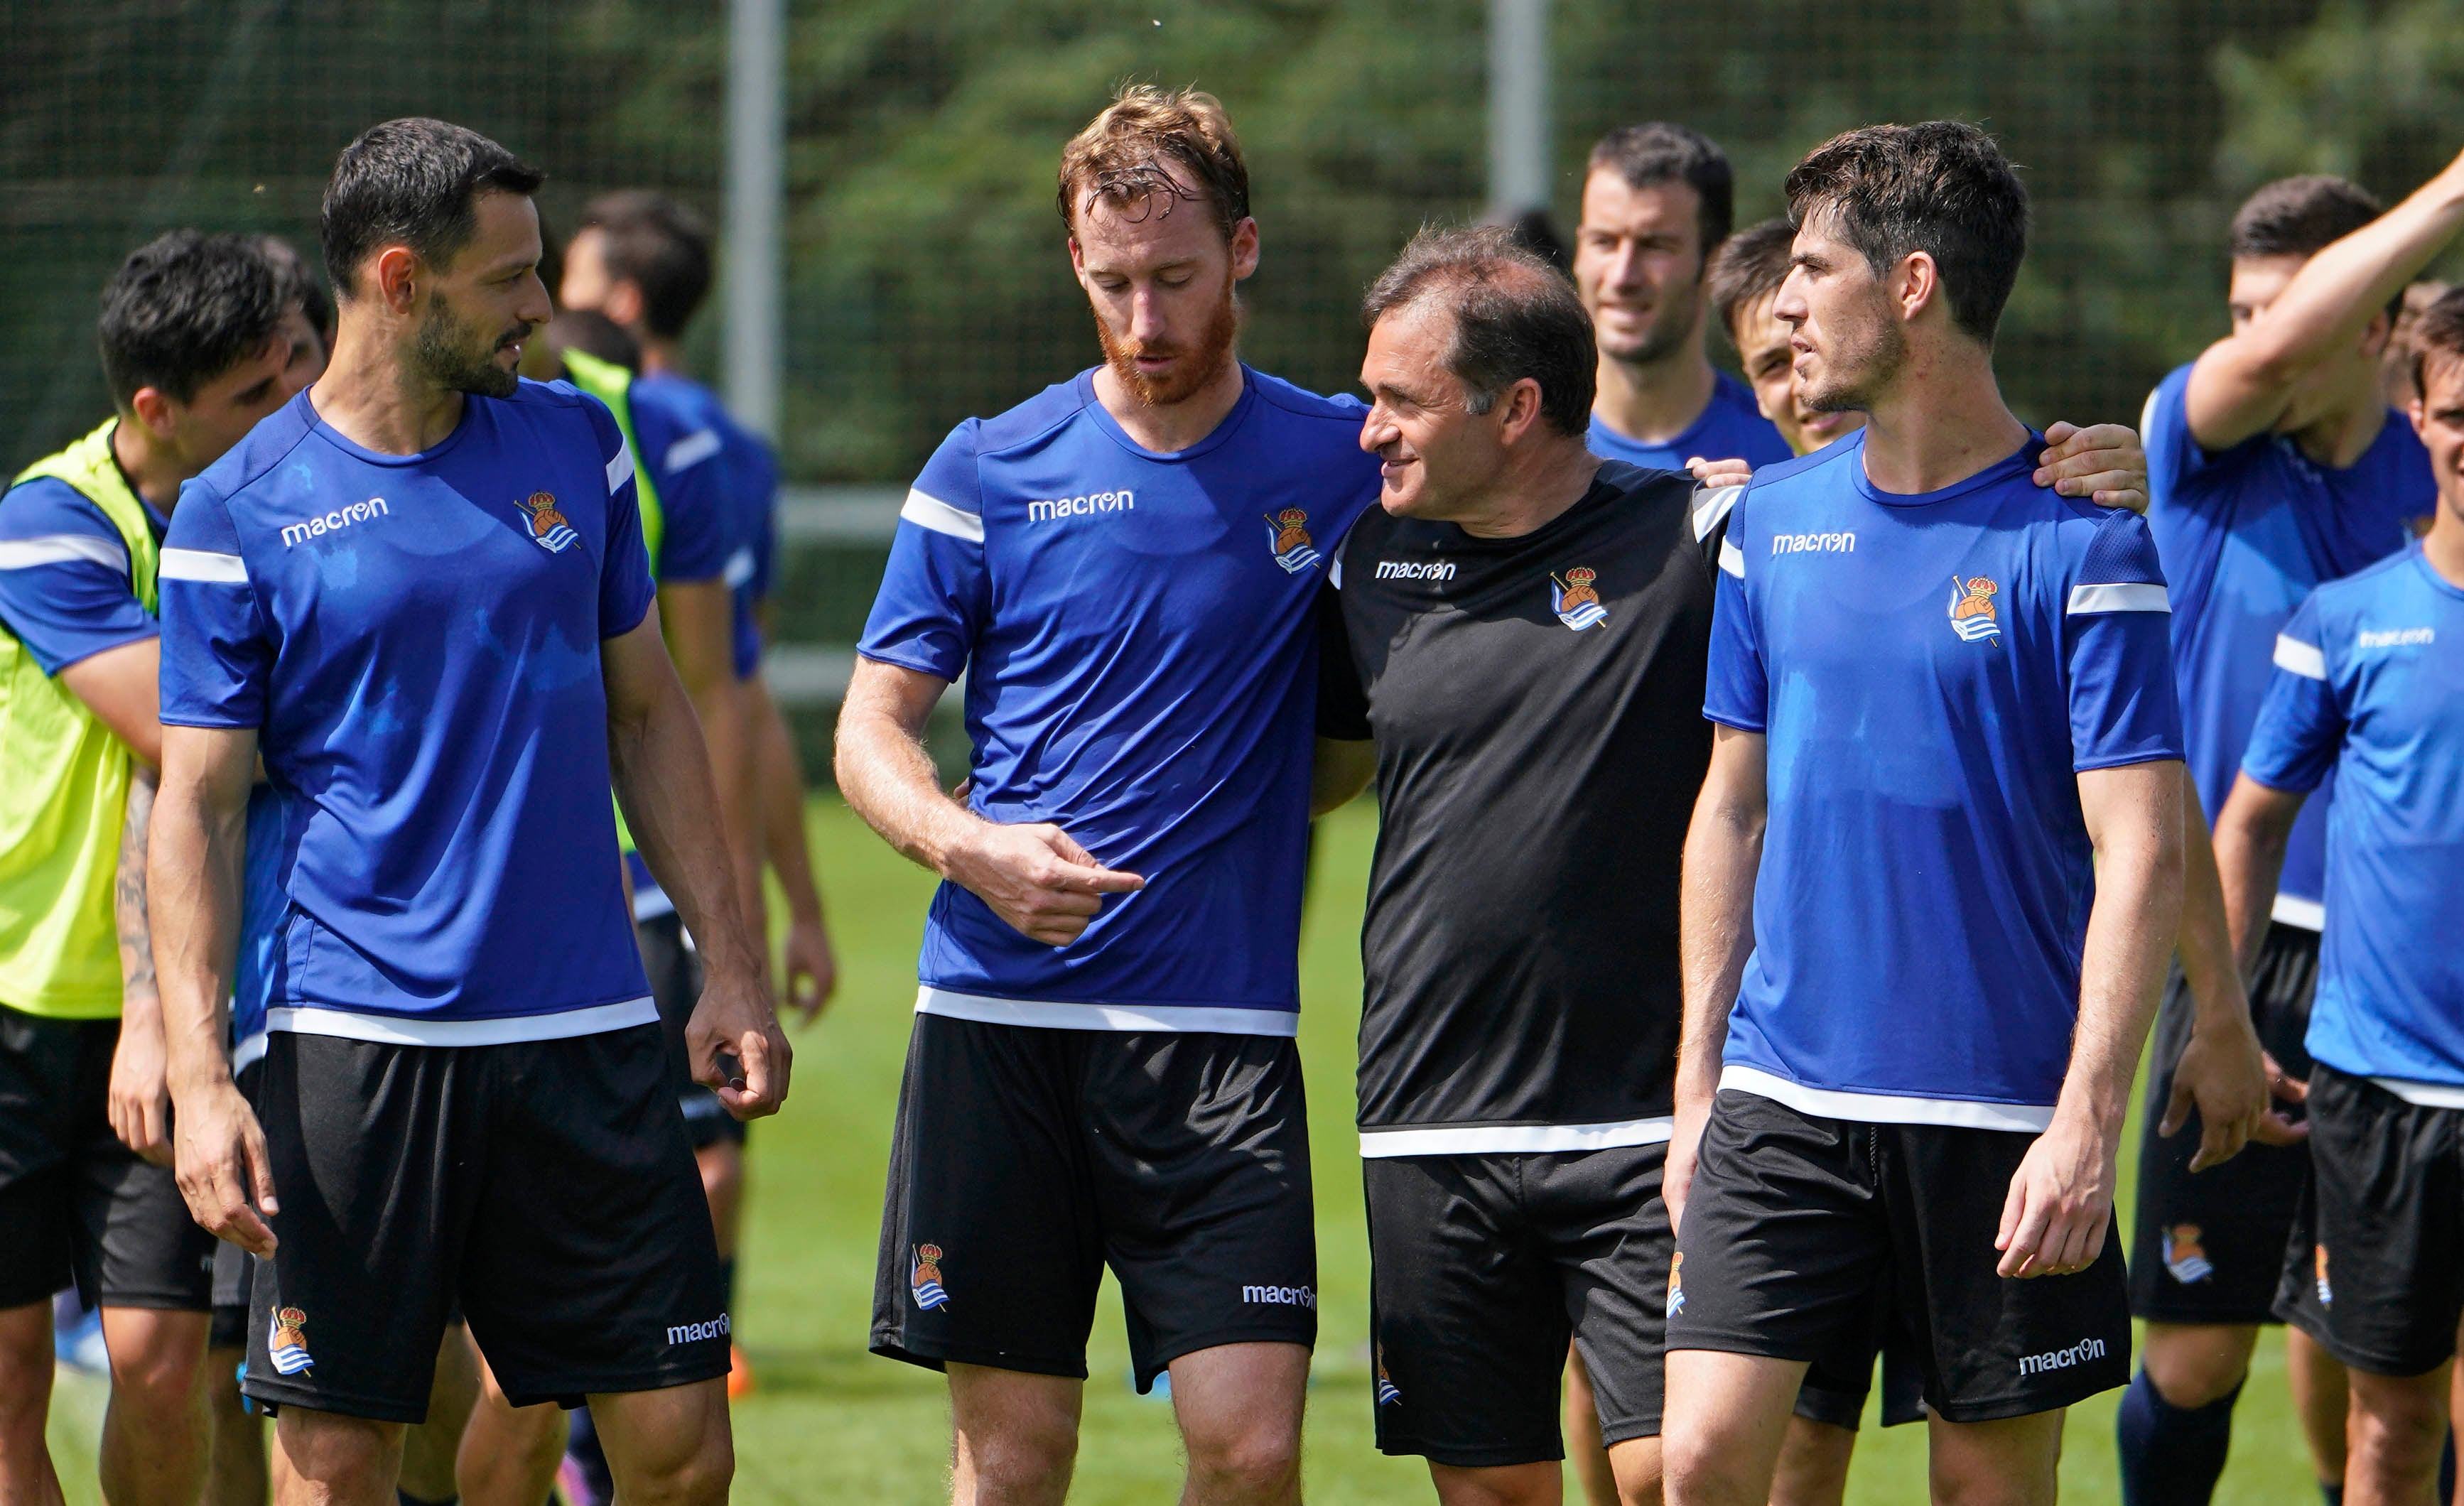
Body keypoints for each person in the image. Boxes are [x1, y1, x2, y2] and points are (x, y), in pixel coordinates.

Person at [147, 117, 786, 1506]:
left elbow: (648, 711)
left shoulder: (578, 444)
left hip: (588, 1031)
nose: (540, 308)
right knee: (336, 1458)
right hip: (352, 1046)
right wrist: (201, 1079)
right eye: (506, 280)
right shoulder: (236, 511)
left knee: (683, 1450)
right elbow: (192, 806)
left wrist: (730, 960)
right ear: (397, 280)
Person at [1663, 121, 2223, 1506]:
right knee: (1696, 1464)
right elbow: (1730, 812)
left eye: (1810, 272)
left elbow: (2142, 844)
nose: (1782, 308)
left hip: (2002, 1118)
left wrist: (2088, 1120)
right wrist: (1696, 1088)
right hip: (1781, 1100)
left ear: (1911, 286)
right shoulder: (1771, 526)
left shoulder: (2087, 540)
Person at [835, 85, 1378, 1506]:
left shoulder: (1343, 459)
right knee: (1014, 1462)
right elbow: (868, 731)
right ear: (1076, 262)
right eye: (1114, 280)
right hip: (999, 1027)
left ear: (1245, 251)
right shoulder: (986, 465)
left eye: (1177, 279)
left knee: (1251, 1449)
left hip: (1219, 1035)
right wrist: (969, 847)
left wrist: (1716, 485)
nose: (1145, 319)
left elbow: (1544, 484)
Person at [2124, 163, 2464, 1506]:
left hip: (2406, 971)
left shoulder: (2430, 461)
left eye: (2291, 310)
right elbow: (2259, 360)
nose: (2251, 340)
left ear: (2374, 327)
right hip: (2236, 947)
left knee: (2382, 1360)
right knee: (2197, 1353)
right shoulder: (2195, 444)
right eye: (2238, 311)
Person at [0, 230, 311, 1506]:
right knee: (13, 1375)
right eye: (253, 396)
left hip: (179, 1015)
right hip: (18, 1000)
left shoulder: (281, 509)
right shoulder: (49, 521)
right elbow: (183, 736)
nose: (289, 411)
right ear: (155, 411)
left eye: (299, 369)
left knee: (165, 1362)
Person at [558, 190, 838, 1421]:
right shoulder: (738, 447)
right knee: (701, 1131)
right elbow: (740, 694)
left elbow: (696, 698)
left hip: (601, 860)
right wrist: (783, 901)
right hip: (673, 871)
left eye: (554, 272)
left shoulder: (604, 434)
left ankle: (619, 1387)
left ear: (613, 299)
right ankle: (701, 1332)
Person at [2214, 285, 2464, 1506]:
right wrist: (2220, 1020)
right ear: (2416, 415)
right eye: (2457, 409)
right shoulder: (2346, 621)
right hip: (2375, 1092)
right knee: (2388, 1431)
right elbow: (2247, 824)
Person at [1574, 124, 1793, 475]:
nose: (1621, 276)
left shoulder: (1785, 451)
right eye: (1604, 242)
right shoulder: (1521, 445)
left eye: (1655, 246)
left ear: (1714, 262)